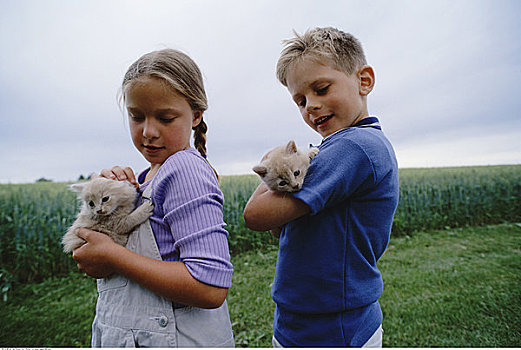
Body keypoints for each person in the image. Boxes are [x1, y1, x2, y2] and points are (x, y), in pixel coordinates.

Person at [243, 27, 399, 347]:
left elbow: (256, 216)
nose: (311, 105)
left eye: (322, 88)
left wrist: (271, 162)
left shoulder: (354, 147)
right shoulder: (338, 148)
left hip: (333, 327)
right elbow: (279, 227)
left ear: (363, 81)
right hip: (305, 318)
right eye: (300, 100)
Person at [72, 49, 235, 347]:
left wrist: (112, 256)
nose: (148, 132)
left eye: (165, 117)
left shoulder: (183, 168)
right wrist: (118, 187)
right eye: (136, 116)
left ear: (196, 115)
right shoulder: (149, 174)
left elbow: (210, 288)